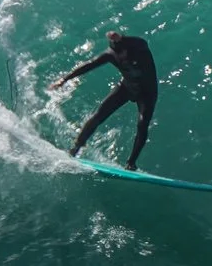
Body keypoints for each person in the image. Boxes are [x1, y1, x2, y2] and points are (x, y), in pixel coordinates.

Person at [52, 31, 158, 169]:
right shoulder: (110, 55)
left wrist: (121, 38)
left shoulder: (140, 47)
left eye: (123, 52)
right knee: (99, 115)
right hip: (127, 87)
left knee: (142, 123)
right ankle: (75, 149)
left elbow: (140, 41)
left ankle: (131, 163)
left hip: (147, 92)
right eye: (118, 54)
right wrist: (64, 79)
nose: (122, 56)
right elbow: (89, 65)